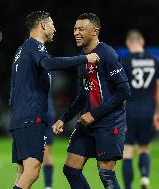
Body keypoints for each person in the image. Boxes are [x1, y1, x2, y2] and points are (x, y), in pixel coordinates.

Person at [9, 11, 99, 189]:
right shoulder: (35, 46)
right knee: (32, 171)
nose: (54, 28)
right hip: (31, 117)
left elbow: (12, 90)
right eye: (51, 24)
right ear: (43, 25)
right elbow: (49, 64)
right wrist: (84, 58)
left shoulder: (21, 51)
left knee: (23, 171)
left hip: (20, 118)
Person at [52, 13, 131, 189]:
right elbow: (83, 94)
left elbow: (124, 91)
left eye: (81, 29)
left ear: (94, 31)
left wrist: (94, 114)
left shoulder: (107, 54)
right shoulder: (83, 58)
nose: (76, 33)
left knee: (106, 174)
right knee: (71, 169)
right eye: (74, 29)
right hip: (87, 124)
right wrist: (63, 118)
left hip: (108, 123)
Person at [121, 30, 159, 189]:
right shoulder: (155, 61)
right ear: (142, 41)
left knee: (127, 152)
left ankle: (128, 187)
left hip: (130, 111)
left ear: (128, 43)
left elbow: (120, 92)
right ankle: (145, 177)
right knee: (144, 148)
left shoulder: (125, 62)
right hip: (148, 111)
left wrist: (119, 116)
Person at [43, 92, 56, 189]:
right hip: (38, 121)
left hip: (44, 122)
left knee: (46, 154)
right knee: (23, 158)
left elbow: (50, 114)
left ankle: (48, 186)